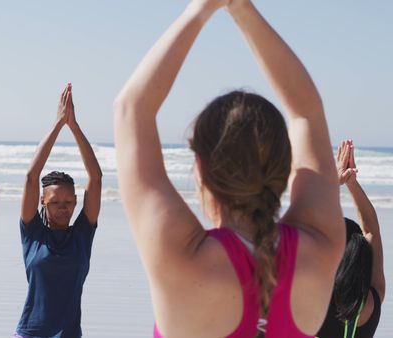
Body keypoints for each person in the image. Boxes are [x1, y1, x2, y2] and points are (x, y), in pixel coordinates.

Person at [113, 0, 344, 337]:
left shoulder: (181, 257)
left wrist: (202, 8)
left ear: (201, 168)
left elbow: (131, 108)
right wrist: (241, 9)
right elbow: (306, 112)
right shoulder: (319, 246)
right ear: (284, 166)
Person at [15, 83, 102, 338]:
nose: (63, 208)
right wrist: (57, 124)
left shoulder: (82, 235)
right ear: (43, 201)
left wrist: (73, 126)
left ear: (76, 201)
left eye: (68, 201)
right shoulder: (32, 233)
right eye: (55, 202)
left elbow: (95, 177)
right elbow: (32, 176)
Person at [317, 140, 385, 338]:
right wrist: (351, 183)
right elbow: (371, 230)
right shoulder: (372, 300)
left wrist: (334, 184)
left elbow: (303, 226)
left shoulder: (312, 302)